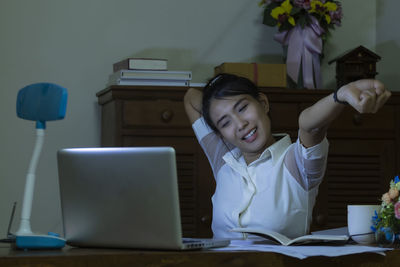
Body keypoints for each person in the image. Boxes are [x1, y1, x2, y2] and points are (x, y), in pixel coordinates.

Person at [183, 73, 391, 239]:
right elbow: (190, 97)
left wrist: (341, 95)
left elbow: (309, 125)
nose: (239, 124)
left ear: (263, 103)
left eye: (242, 107)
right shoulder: (223, 159)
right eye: (225, 122)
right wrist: (214, 106)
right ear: (220, 134)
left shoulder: (297, 162)